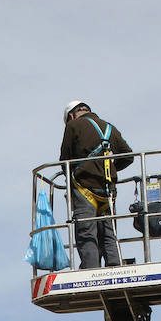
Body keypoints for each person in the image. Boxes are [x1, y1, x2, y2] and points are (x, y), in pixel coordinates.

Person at [59, 100, 133, 269]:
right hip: (108, 191)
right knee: (109, 233)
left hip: (84, 187)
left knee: (86, 233)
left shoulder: (73, 126)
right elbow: (128, 156)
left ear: (71, 116)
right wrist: (110, 168)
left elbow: (65, 160)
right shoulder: (109, 128)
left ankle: (90, 269)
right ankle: (115, 267)